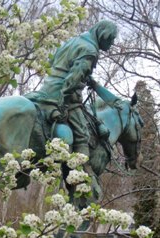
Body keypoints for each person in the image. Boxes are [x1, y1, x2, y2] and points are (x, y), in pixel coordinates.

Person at [26, 20, 119, 193]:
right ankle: (80, 178)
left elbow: (54, 61)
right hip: (63, 96)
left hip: (46, 89)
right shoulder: (90, 51)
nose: (112, 43)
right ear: (103, 35)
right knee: (82, 134)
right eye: (111, 39)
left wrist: (87, 79)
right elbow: (73, 79)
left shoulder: (73, 41)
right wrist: (64, 101)